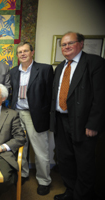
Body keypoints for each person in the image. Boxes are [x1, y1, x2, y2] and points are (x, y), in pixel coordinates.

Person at [50, 32, 105, 200]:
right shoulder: (61, 67)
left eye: (70, 43)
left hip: (82, 123)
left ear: (81, 44)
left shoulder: (95, 63)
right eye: (63, 44)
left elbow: (101, 97)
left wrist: (93, 124)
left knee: (84, 162)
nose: (66, 47)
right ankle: (71, 191)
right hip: (61, 120)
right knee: (65, 160)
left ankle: (82, 196)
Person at [10, 42, 53, 195]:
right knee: (21, 147)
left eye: (26, 51)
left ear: (32, 52)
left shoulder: (44, 69)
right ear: (17, 55)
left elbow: (50, 95)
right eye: (20, 52)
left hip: (34, 114)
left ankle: (44, 180)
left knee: (40, 150)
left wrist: (45, 113)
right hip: (17, 113)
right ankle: (23, 174)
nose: (23, 54)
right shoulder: (13, 71)